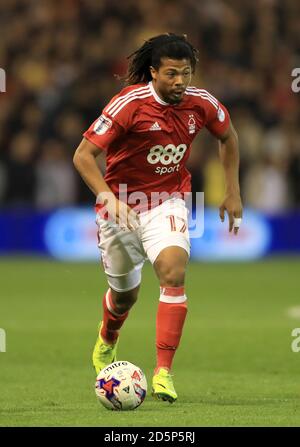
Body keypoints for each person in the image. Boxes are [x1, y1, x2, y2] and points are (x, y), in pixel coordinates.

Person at [73, 33, 243, 403]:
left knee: (173, 270)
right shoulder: (128, 104)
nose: (180, 81)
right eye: (171, 74)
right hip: (120, 206)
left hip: (169, 201)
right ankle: (108, 337)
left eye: (186, 73)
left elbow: (228, 137)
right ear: (153, 72)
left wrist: (232, 190)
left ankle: (163, 372)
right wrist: (107, 197)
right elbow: (83, 156)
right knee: (124, 296)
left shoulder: (202, 104)